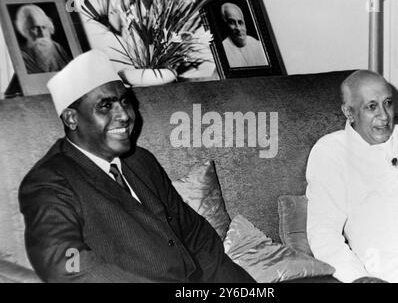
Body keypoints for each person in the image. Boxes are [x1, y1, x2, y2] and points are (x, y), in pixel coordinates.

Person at [18, 49, 255, 283]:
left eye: (124, 101)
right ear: (71, 118)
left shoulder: (140, 160)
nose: (124, 115)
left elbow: (195, 235)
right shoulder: (48, 182)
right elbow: (67, 263)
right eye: (105, 106)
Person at [305, 69, 398, 283]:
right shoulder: (330, 151)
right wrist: (358, 277)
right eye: (372, 106)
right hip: (394, 265)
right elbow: (323, 231)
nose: (384, 115)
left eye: (388, 103)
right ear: (349, 112)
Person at [15, 4, 71, 74]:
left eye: (44, 27)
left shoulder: (57, 47)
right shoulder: (22, 57)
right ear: (24, 30)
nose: (41, 33)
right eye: (34, 28)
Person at [220, 2, 268, 68]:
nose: (238, 28)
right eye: (232, 22)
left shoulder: (256, 44)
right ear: (225, 25)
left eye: (240, 22)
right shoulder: (223, 50)